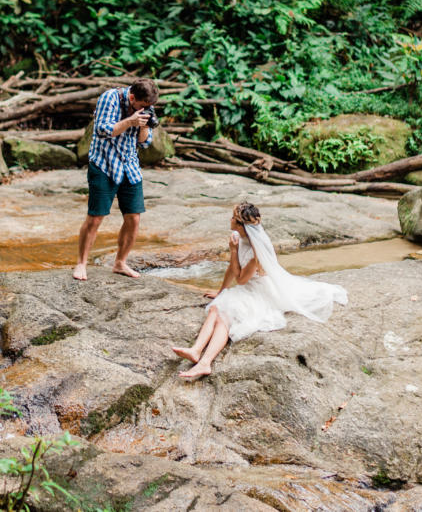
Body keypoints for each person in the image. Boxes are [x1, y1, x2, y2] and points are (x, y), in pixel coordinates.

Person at [172, 201, 348, 379]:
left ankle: (205, 362)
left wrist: (233, 251)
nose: (230, 219)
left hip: (259, 291)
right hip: (247, 287)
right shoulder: (238, 236)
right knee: (217, 307)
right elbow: (232, 269)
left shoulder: (255, 252)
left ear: (242, 225)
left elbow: (240, 280)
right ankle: (196, 350)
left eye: (233, 218)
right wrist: (221, 291)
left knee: (225, 315)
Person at [72, 78, 158, 281]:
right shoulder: (109, 98)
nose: (146, 109)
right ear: (132, 97)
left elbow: (145, 144)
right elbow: (103, 130)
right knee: (95, 217)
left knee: (134, 218)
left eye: (150, 107)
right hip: (104, 164)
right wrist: (130, 121)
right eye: (143, 106)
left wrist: (144, 126)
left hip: (130, 165)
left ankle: (120, 263)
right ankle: (81, 263)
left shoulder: (146, 105)